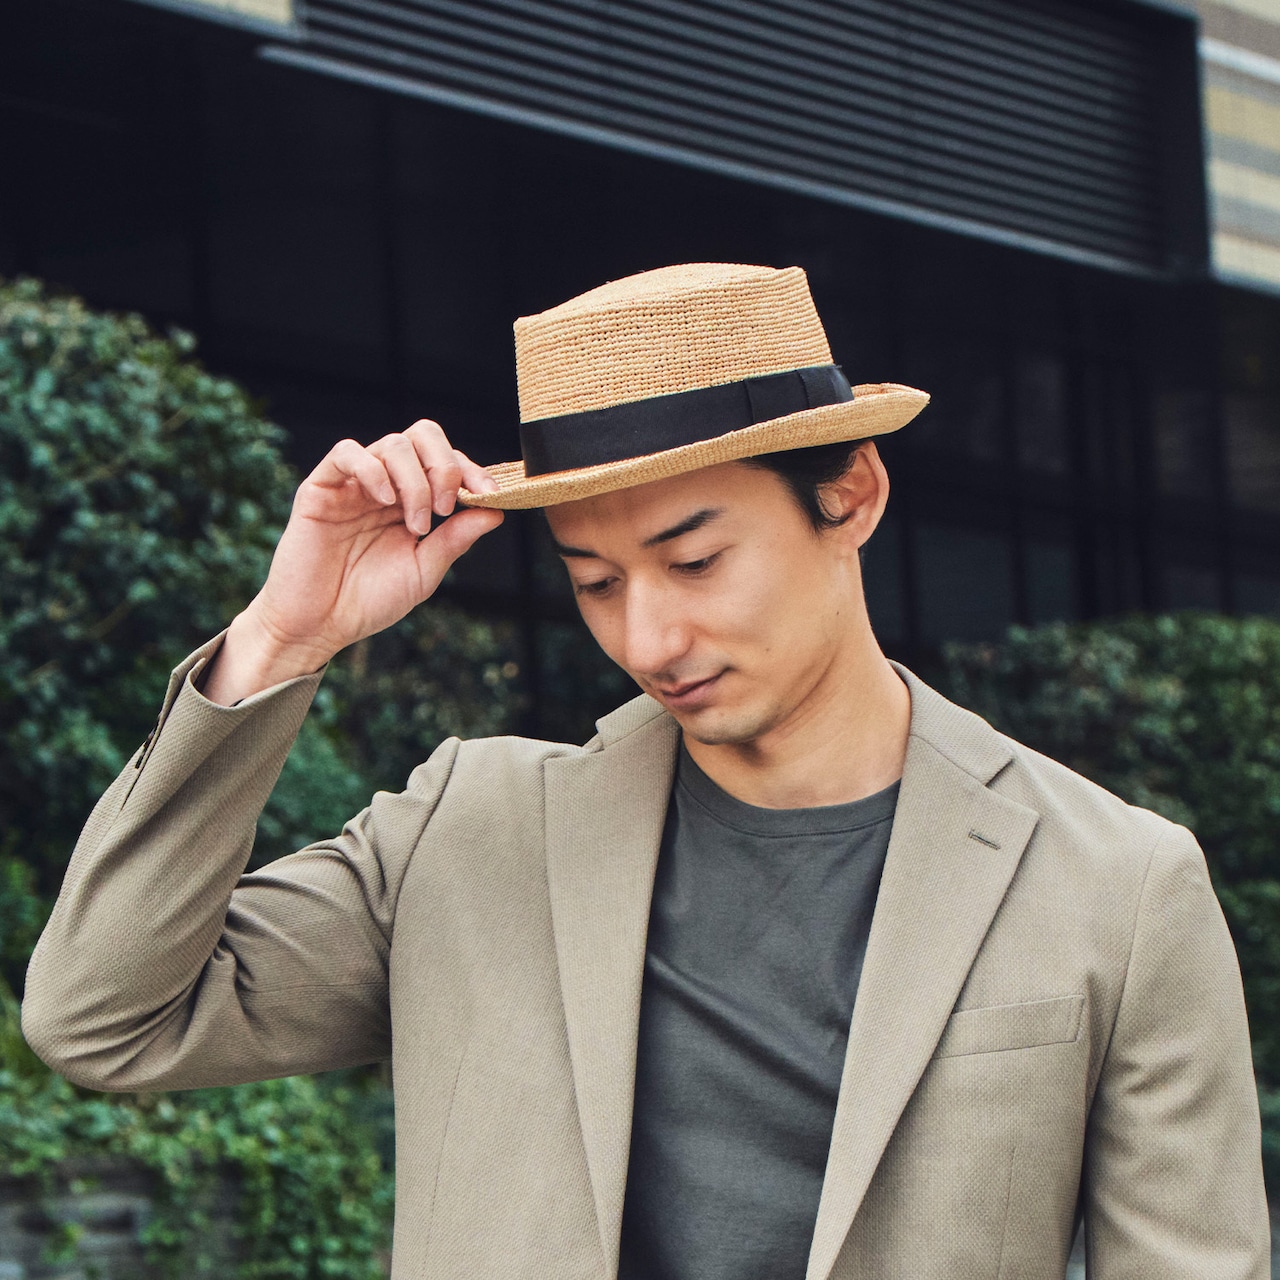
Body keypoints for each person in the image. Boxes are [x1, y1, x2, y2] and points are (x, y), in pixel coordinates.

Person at [23, 263, 1269, 1279]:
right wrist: (283, 640)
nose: (648, 637)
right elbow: (102, 1015)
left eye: (694, 560)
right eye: (594, 582)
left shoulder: (1115, 883)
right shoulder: (471, 830)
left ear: (849, 494)